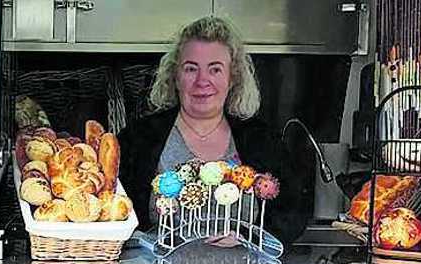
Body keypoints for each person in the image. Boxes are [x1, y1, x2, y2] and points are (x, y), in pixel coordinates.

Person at [118, 16, 306, 244]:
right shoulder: (139, 138)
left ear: (232, 78)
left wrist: (247, 238)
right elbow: (114, 213)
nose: (202, 81)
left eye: (215, 70)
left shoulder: (261, 140)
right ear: (175, 76)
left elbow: (293, 214)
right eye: (191, 69)